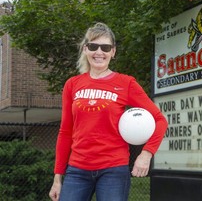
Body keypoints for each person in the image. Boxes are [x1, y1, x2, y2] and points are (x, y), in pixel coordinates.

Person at [49, 22, 168, 201]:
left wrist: (146, 154)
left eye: (105, 47)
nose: (99, 52)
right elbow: (65, 132)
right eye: (93, 46)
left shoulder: (125, 83)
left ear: (113, 52)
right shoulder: (72, 84)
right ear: (85, 49)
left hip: (114, 169)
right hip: (77, 170)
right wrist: (57, 178)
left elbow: (160, 120)